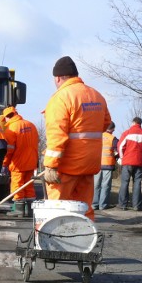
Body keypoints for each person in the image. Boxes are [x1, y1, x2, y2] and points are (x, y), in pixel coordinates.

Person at [43, 56, 111, 221]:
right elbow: (105, 124)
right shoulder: (97, 96)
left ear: (58, 78)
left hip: (67, 166)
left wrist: (50, 166)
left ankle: (54, 242)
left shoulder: (61, 97)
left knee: (57, 208)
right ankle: (84, 240)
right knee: (84, 209)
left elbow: (56, 134)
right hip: (89, 164)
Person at [1, 106, 40, 217]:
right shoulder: (31, 125)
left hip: (18, 163)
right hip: (31, 162)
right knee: (28, 186)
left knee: (17, 185)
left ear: (7, 117)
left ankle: (19, 210)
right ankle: (30, 210)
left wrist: (4, 163)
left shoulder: (11, 129)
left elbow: (9, 150)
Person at [117, 117, 142, 211]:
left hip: (128, 161)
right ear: (140, 123)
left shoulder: (127, 133)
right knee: (137, 183)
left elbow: (120, 147)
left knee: (125, 183)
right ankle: (137, 205)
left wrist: (122, 158)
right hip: (140, 162)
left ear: (133, 122)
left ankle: (123, 204)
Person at [92, 122, 119, 210]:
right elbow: (116, 152)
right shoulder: (113, 139)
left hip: (97, 164)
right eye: (114, 129)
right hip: (108, 164)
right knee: (106, 185)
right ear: (111, 129)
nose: (114, 130)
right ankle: (103, 205)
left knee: (96, 185)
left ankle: (94, 204)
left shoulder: (97, 136)